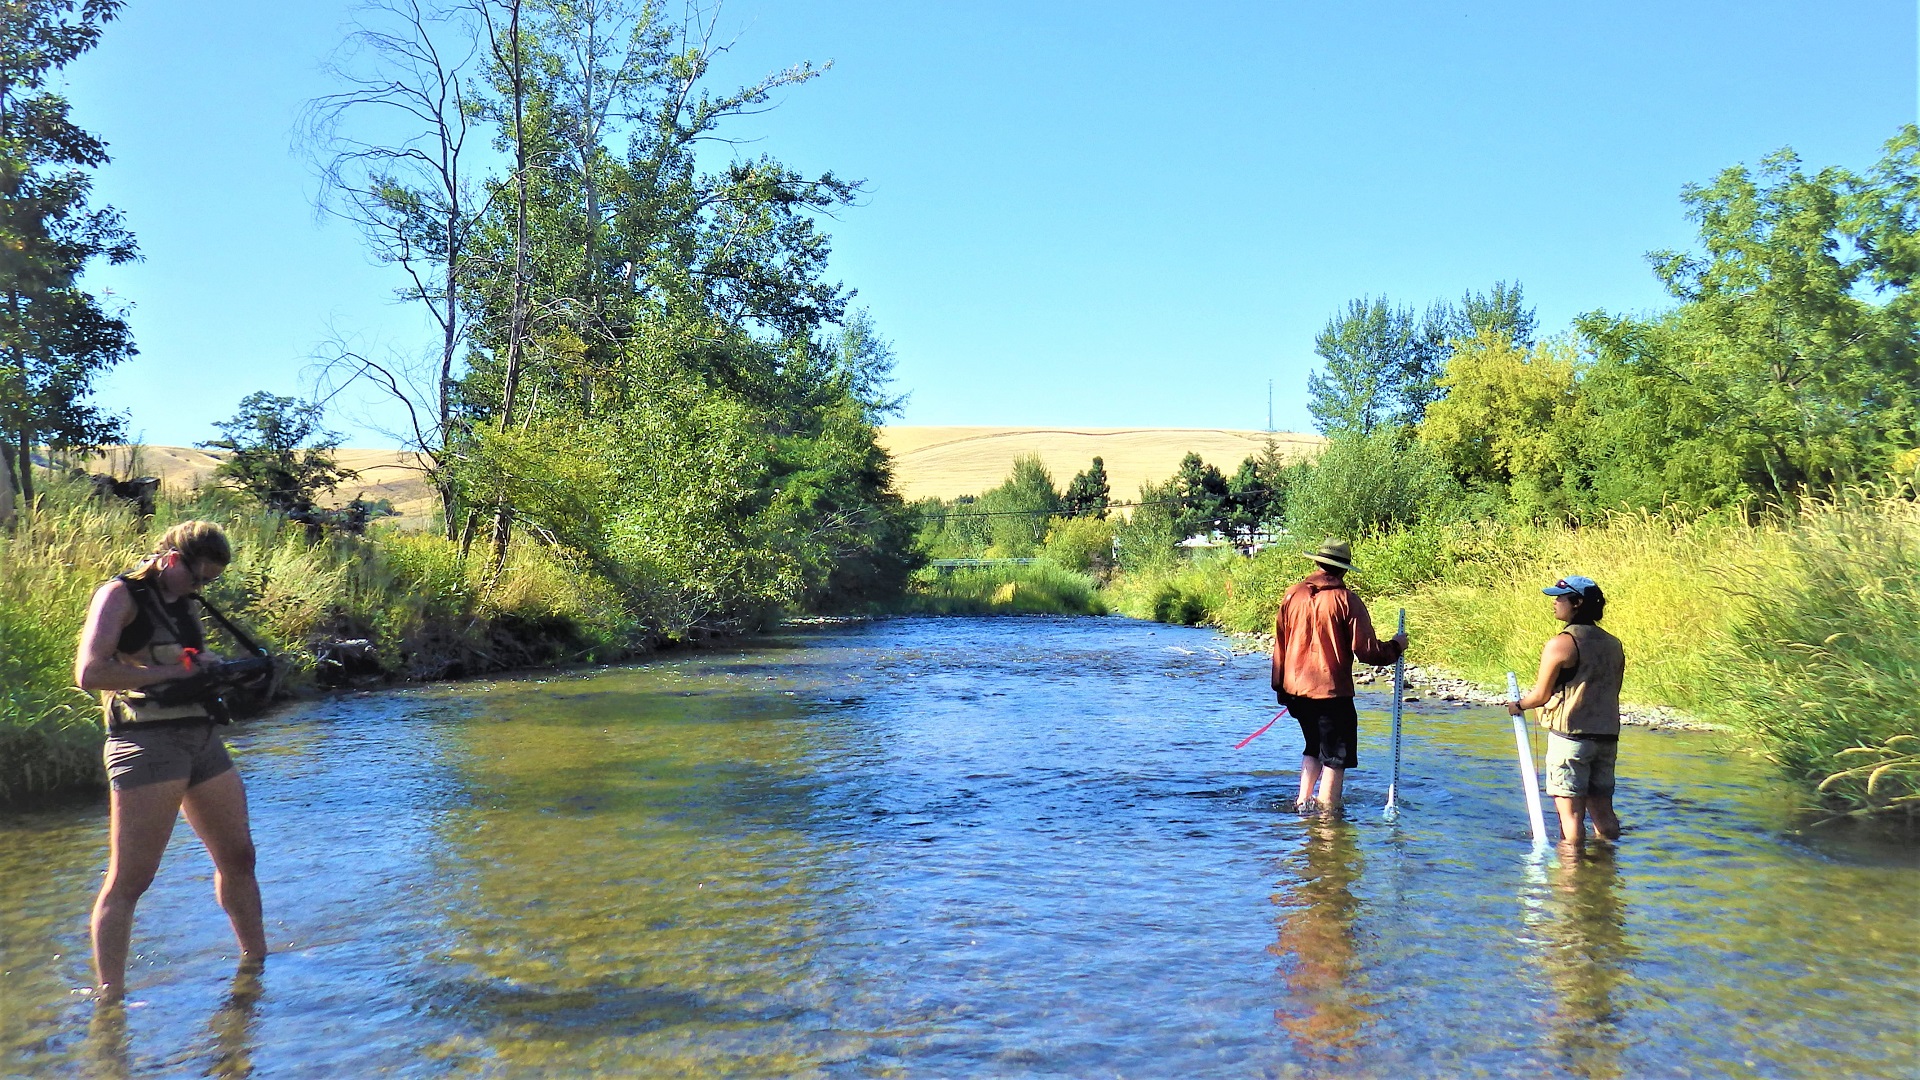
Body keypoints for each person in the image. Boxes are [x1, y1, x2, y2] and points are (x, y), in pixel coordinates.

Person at [74, 521, 266, 1002]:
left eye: (211, 582)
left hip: (201, 738)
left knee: (240, 858)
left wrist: (209, 666)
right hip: (145, 744)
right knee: (131, 879)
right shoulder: (120, 595)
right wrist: (171, 672)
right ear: (171, 559)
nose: (203, 589)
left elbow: (183, 660)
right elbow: (90, 671)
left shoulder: (184, 603)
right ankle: (110, 999)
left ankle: (256, 967)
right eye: (199, 578)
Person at [1271, 539, 1407, 812]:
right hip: (1332, 693)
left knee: (1313, 746)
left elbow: (1280, 646)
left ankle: (1302, 802)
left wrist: (1280, 689)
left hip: (1295, 691)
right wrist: (1395, 647)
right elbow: (1367, 651)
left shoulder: (1292, 595)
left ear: (1317, 563)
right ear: (1344, 569)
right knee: (1336, 756)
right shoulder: (1347, 601)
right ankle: (1327, 814)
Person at [1509, 575, 1624, 848]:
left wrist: (1517, 706)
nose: (1555, 603)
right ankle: (1607, 871)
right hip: (1607, 738)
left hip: (1570, 740)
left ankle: (1572, 881)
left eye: (1560, 598)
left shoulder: (1561, 644)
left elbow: (1540, 696)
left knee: (1571, 819)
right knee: (1604, 814)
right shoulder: (1613, 644)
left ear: (1577, 603)